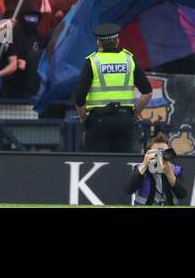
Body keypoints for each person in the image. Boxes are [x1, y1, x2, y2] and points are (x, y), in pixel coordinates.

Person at [73, 24, 153, 153]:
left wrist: (84, 119)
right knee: (122, 163)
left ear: (98, 42)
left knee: (97, 162)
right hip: (124, 119)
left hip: (99, 121)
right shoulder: (129, 60)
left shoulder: (93, 61)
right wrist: (134, 114)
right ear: (117, 41)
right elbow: (147, 93)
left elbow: (80, 97)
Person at [124, 132, 188, 206]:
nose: (161, 156)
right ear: (148, 154)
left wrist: (169, 173)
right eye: (157, 152)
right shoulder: (140, 169)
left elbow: (182, 195)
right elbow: (128, 189)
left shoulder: (176, 170)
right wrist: (144, 164)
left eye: (164, 152)